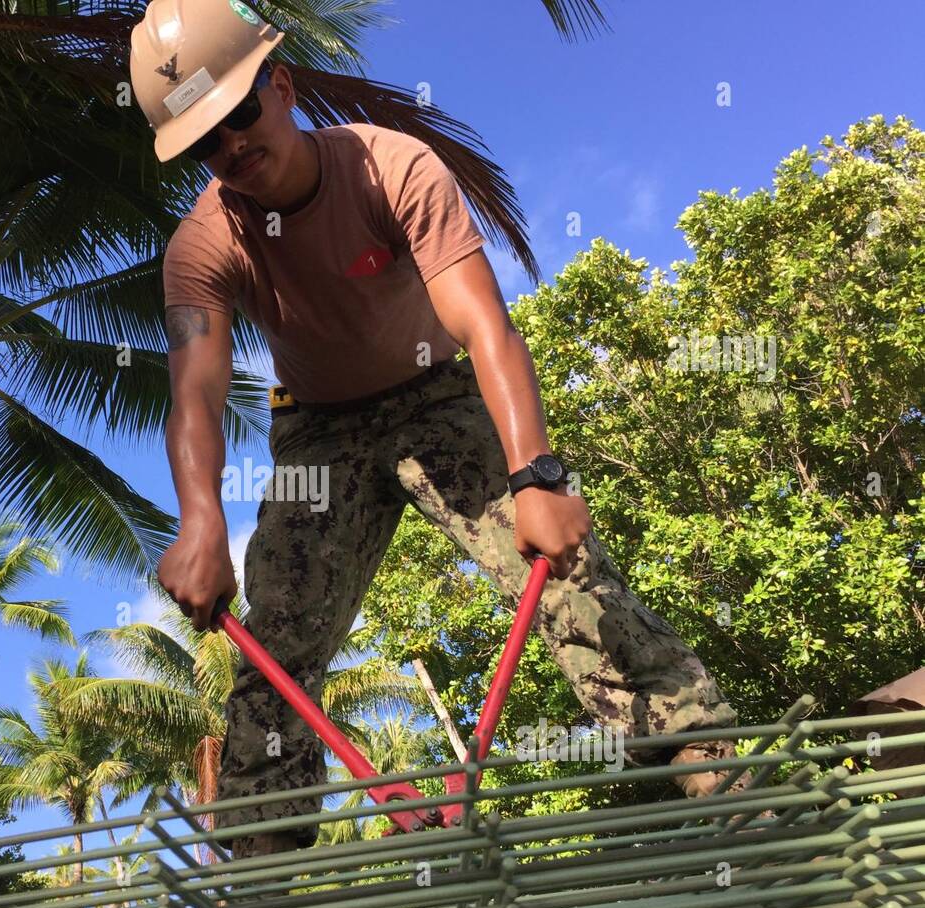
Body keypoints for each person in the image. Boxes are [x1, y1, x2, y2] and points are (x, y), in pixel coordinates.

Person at [130, 0, 743, 858]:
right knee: (276, 648)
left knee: (569, 581)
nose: (231, 146)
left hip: (433, 397)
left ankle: (727, 792)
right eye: (204, 140)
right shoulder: (202, 244)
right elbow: (193, 391)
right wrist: (200, 523)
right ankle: (259, 879)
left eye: (238, 113)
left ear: (283, 83)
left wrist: (536, 477)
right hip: (318, 434)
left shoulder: (391, 167)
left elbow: (484, 325)